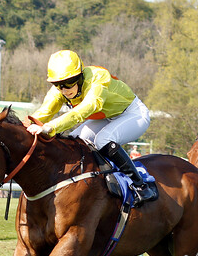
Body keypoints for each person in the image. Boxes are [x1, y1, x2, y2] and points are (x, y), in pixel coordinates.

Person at [26, 50, 156, 205]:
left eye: (69, 82)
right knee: (74, 141)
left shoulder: (98, 78)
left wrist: (49, 127)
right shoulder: (61, 89)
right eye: (58, 85)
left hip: (133, 114)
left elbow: (83, 111)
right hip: (107, 117)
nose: (64, 90)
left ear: (80, 76)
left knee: (103, 139)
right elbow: (45, 111)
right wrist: (23, 126)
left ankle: (141, 185)